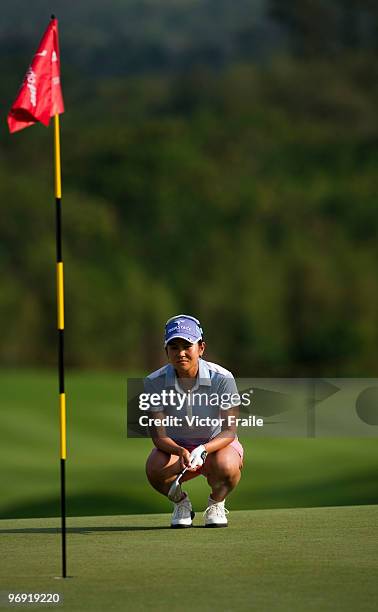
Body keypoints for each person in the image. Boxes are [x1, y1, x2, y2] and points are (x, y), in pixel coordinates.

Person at [144, 314, 244, 528]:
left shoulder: (222, 378)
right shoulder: (153, 382)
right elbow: (158, 436)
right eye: (174, 347)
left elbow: (229, 430)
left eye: (187, 346)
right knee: (154, 468)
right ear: (166, 352)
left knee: (227, 465)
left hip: (216, 446)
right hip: (176, 448)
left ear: (201, 348)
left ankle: (216, 503)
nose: (180, 353)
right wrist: (180, 451)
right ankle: (181, 503)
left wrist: (204, 448)